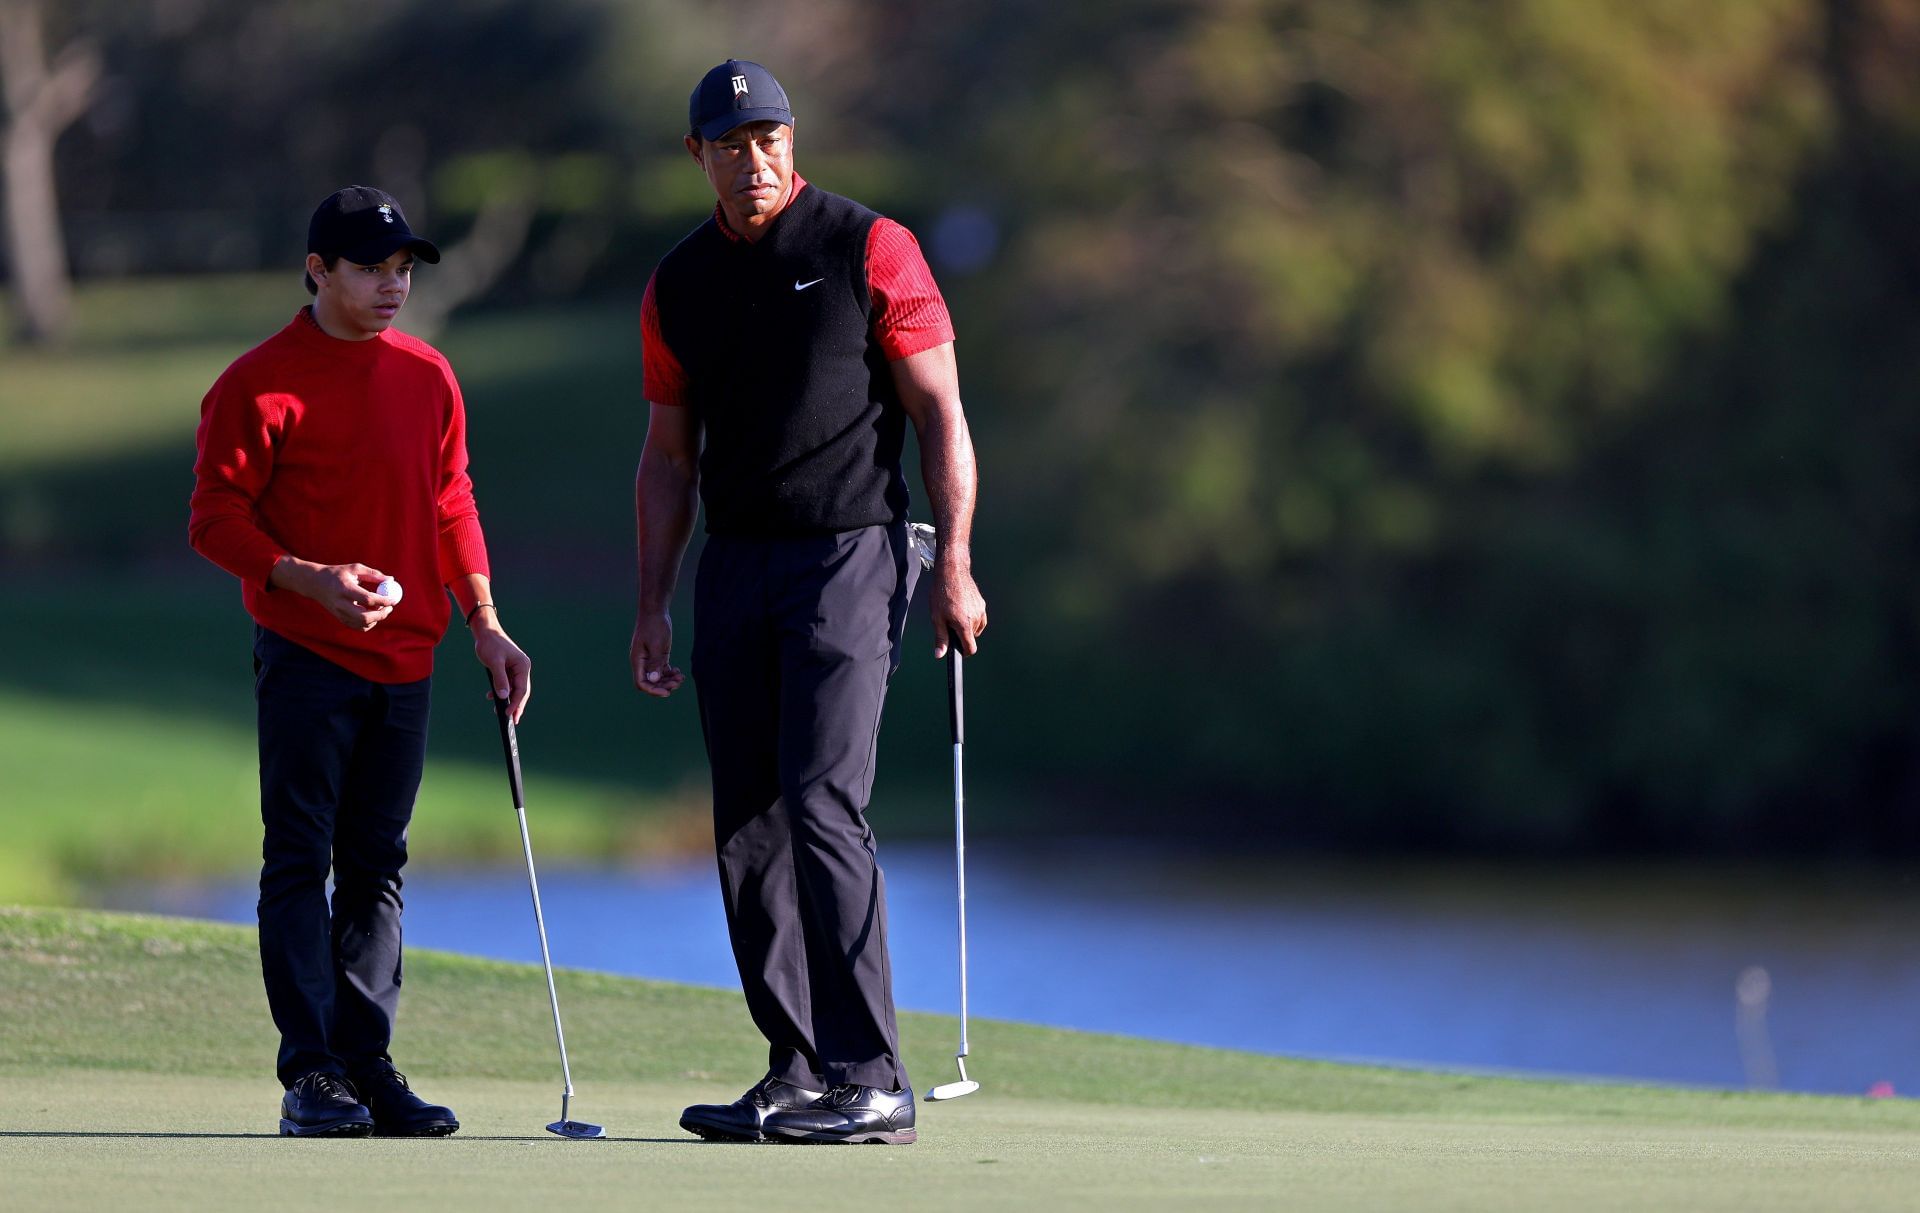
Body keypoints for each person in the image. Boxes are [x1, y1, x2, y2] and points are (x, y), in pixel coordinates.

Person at [631, 59, 988, 1146]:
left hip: (854, 556)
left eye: (770, 139)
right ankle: (794, 1066)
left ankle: (871, 1072)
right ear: (698, 156)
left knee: (823, 799)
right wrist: (652, 601)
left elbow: (941, 415)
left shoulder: (869, 247)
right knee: (746, 822)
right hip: (736, 564)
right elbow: (667, 457)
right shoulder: (678, 284)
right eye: (730, 145)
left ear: (795, 142)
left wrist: (957, 561)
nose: (754, 161)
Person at [188, 186, 532, 1137]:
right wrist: (308, 578)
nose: (393, 285)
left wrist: (486, 623)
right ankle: (313, 1074)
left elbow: (450, 501)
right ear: (318, 270)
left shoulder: (429, 376)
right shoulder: (258, 382)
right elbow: (215, 518)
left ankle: (367, 1063)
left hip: (408, 658)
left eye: (403, 269)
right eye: (372, 269)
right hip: (305, 653)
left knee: (377, 864)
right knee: (300, 859)